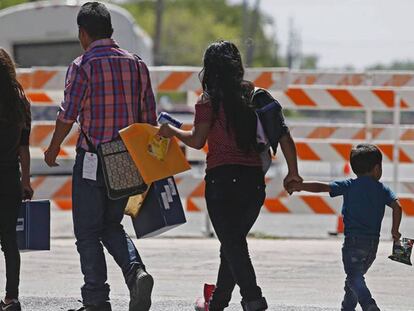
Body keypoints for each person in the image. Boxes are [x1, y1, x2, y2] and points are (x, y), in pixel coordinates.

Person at [158, 40, 302, 311]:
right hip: (252, 182)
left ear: (209, 69)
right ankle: (218, 302)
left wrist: (171, 131)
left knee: (233, 243)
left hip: (221, 182)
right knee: (232, 243)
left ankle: (253, 298)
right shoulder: (257, 96)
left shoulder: (209, 100)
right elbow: (284, 136)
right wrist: (293, 174)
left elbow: (198, 140)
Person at [44, 3, 157, 311]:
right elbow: (149, 119)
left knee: (87, 233)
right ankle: (136, 272)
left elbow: (67, 115)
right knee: (111, 225)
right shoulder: (136, 65)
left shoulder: (83, 65)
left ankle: (96, 300)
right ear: (111, 30)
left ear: (83, 33)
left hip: (93, 158)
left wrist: (53, 148)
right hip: (126, 159)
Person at [288, 143, 403, 311]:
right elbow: (397, 207)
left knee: (354, 277)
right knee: (354, 278)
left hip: (353, 243)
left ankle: (368, 304)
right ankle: (347, 307)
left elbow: (323, 187)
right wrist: (395, 231)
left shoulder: (349, 185)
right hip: (373, 245)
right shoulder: (382, 189)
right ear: (377, 168)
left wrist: (300, 186)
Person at [0, 48, 33, 311]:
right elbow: (24, 149)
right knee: (9, 240)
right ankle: (12, 297)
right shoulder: (21, 103)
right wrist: (26, 182)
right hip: (10, 177)